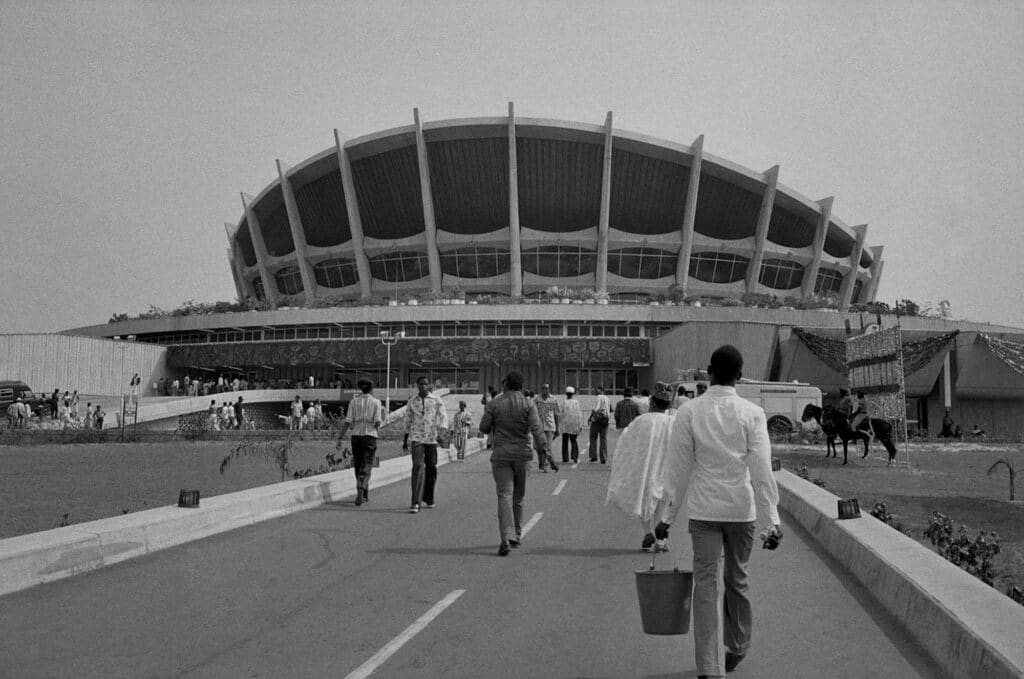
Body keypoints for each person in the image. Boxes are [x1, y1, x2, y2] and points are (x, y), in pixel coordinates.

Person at [657, 345, 782, 679]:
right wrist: (773, 521)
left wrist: (666, 519)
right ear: (740, 377)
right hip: (742, 513)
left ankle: (709, 668)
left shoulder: (689, 412)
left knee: (706, 585)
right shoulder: (752, 414)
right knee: (737, 579)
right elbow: (761, 470)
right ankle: (738, 645)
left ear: (709, 372)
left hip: (704, 513)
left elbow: (679, 470)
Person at [478, 371, 549, 556]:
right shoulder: (528, 404)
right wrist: (547, 453)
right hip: (523, 456)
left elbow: (483, 428)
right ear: (522, 386)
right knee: (518, 498)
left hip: (501, 455)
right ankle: (516, 535)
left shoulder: (494, 404)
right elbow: (537, 430)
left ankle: (505, 539)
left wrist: (495, 422)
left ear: (506, 385)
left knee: (504, 496)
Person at [606, 381, 677, 552]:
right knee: (663, 504)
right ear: (667, 405)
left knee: (644, 500)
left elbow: (625, 443)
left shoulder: (640, 421)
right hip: (666, 469)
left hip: (645, 468)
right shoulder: (674, 422)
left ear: (652, 402)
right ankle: (660, 542)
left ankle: (647, 533)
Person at [402, 376, 449, 513]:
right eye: (421, 384)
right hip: (417, 438)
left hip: (431, 439)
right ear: (417, 385)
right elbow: (407, 420)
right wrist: (405, 439)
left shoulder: (436, 400)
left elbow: (443, 416)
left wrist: (443, 431)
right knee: (417, 466)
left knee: (431, 467)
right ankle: (415, 502)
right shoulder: (412, 401)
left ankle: (428, 497)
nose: (423, 386)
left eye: (426, 384)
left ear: (429, 385)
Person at [337, 378, 384, 506]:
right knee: (368, 463)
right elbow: (377, 421)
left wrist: (339, 437)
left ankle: (363, 492)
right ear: (372, 389)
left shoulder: (353, 401)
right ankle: (361, 487)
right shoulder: (376, 402)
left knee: (358, 463)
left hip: (356, 436)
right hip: (370, 435)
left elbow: (347, 421)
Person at [532, 384, 560, 473]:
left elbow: (556, 414)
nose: (545, 390)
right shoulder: (536, 400)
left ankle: (547, 465)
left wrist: (558, 428)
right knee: (539, 448)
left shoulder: (553, 400)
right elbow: (532, 413)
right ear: (541, 389)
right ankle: (542, 463)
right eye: (543, 388)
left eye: (546, 389)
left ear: (549, 389)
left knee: (547, 447)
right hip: (539, 426)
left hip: (550, 426)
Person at [559, 386, 584, 464]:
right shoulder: (576, 402)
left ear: (566, 394)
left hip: (565, 425)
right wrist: (580, 424)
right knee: (573, 440)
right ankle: (575, 456)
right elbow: (579, 414)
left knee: (565, 441)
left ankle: (565, 458)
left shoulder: (563, 402)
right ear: (573, 394)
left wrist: (559, 425)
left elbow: (560, 414)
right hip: (574, 425)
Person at [589, 386, 610, 462]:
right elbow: (610, 409)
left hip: (597, 420)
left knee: (593, 437)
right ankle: (603, 457)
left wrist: (590, 418)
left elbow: (595, 409)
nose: (594, 391)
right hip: (605, 420)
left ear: (601, 390)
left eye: (595, 390)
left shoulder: (598, 397)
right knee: (603, 439)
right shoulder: (607, 398)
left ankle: (593, 456)